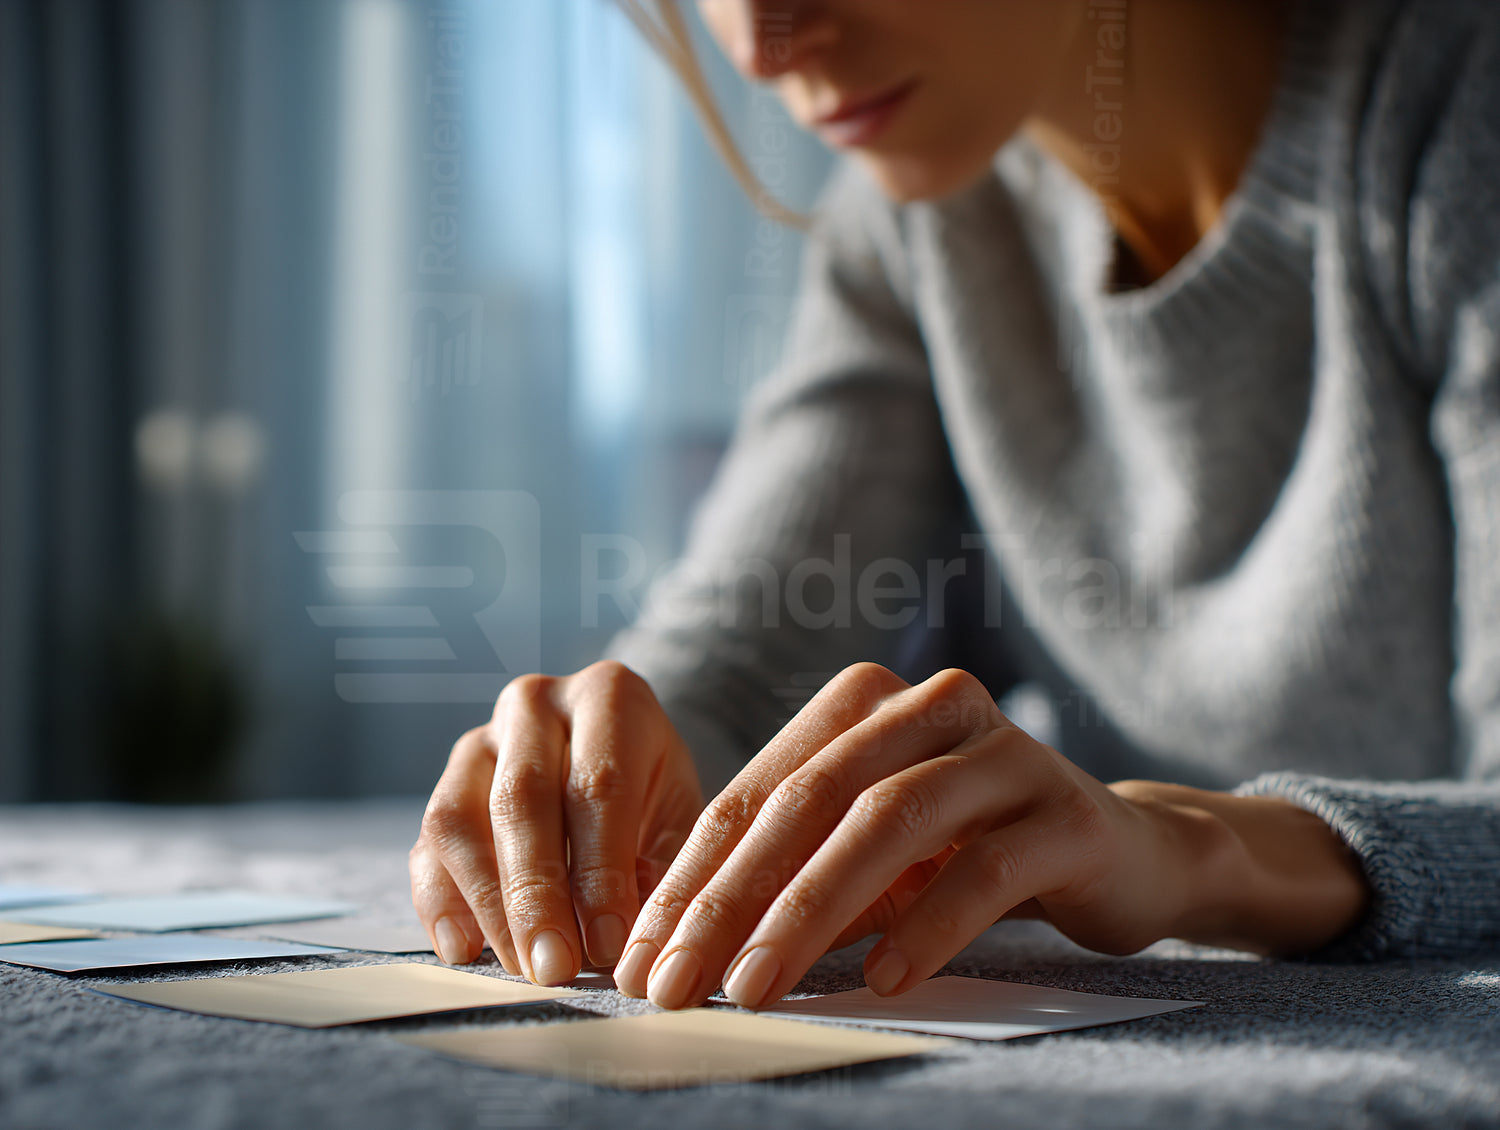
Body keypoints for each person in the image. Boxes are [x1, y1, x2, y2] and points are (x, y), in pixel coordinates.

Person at [408, 0, 1500, 1012]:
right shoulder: (913, 223)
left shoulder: (1457, 110)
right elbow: (736, 674)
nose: (762, 46)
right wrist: (604, 772)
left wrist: (1197, 850)